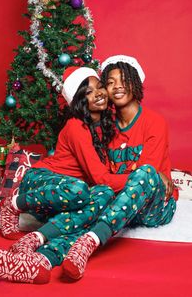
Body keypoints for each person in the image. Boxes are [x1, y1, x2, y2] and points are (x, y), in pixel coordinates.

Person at [0, 66, 130, 284]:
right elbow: (100, 176)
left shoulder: (103, 128)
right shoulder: (76, 126)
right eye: (88, 91)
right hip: (41, 182)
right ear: (79, 100)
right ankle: (13, 204)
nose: (98, 93)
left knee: (97, 202)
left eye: (99, 87)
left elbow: (105, 180)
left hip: (64, 203)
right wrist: (138, 178)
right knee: (82, 189)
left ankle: (39, 258)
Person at [62, 55, 178, 280]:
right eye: (111, 82)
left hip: (156, 207)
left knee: (145, 173)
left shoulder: (154, 122)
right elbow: (100, 176)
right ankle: (45, 251)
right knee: (96, 195)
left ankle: (91, 241)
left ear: (135, 83)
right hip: (120, 204)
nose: (117, 87)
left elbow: (147, 177)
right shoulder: (105, 127)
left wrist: (154, 175)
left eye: (124, 80)